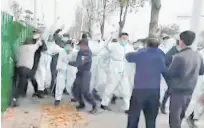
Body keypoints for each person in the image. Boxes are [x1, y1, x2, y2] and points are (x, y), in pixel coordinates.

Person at [126, 38, 168, 128]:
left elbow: (128, 57)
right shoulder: (161, 55)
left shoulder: (141, 53)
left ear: (147, 44)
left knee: (133, 116)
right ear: (158, 45)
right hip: (154, 91)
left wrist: (138, 49)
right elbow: (165, 71)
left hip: (139, 90)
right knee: (151, 119)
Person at [167, 30, 204, 128]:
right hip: (190, 90)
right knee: (181, 116)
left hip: (178, 91)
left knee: (174, 118)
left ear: (181, 41)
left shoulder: (179, 57)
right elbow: (201, 71)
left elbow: (170, 74)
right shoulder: (198, 55)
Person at [100, 32, 135, 113]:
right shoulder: (114, 46)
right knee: (110, 86)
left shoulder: (130, 48)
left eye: (126, 39)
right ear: (119, 38)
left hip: (125, 69)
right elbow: (105, 46)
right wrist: (110, 36)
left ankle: (127, 107)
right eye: (123, 38)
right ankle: (104, 103)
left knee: (126, 89)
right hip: (114, 68)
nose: (125, 40)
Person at [11, 29, 43, 107]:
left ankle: (17, 96)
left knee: (20, 83)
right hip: (27, 69)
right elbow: (39, 44)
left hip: (18, 68)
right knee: (23, 83)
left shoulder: (19, 48)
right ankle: (15, 99)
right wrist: (39, 37)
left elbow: (14, 54)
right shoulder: (31, 48)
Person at [69, 39, 98, 114]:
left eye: (80, 45)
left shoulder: (87, 53)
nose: (79, 47)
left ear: (84, 45)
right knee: (75, 89)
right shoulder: (80, 51)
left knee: (85, 91)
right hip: (79, 72)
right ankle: (81, 104)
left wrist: (68, 62)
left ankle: (94, 105)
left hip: (85, 74)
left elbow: (79, 63)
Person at [160, 39, 180, 114]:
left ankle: (165, 105)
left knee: (172, 89)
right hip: (168, 73)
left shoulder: (180, 51)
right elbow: (165, 63)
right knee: (171, 89)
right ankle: (163, 105)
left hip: (176, 74)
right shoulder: (172, 52)